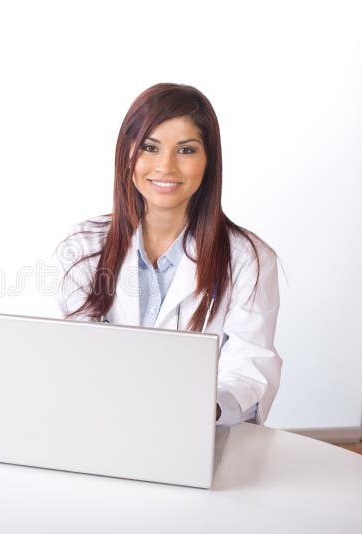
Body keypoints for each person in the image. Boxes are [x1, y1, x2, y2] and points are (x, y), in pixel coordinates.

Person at [56, 83, 281, 426]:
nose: (165, 167)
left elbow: (250, 368)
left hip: (197, 436)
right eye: (150, 147)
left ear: (209, 161)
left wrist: (207, 406)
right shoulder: (85, 246)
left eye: (186, 150)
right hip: (101, 427)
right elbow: (73, 353)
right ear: (127, 155)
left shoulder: (249, 258)